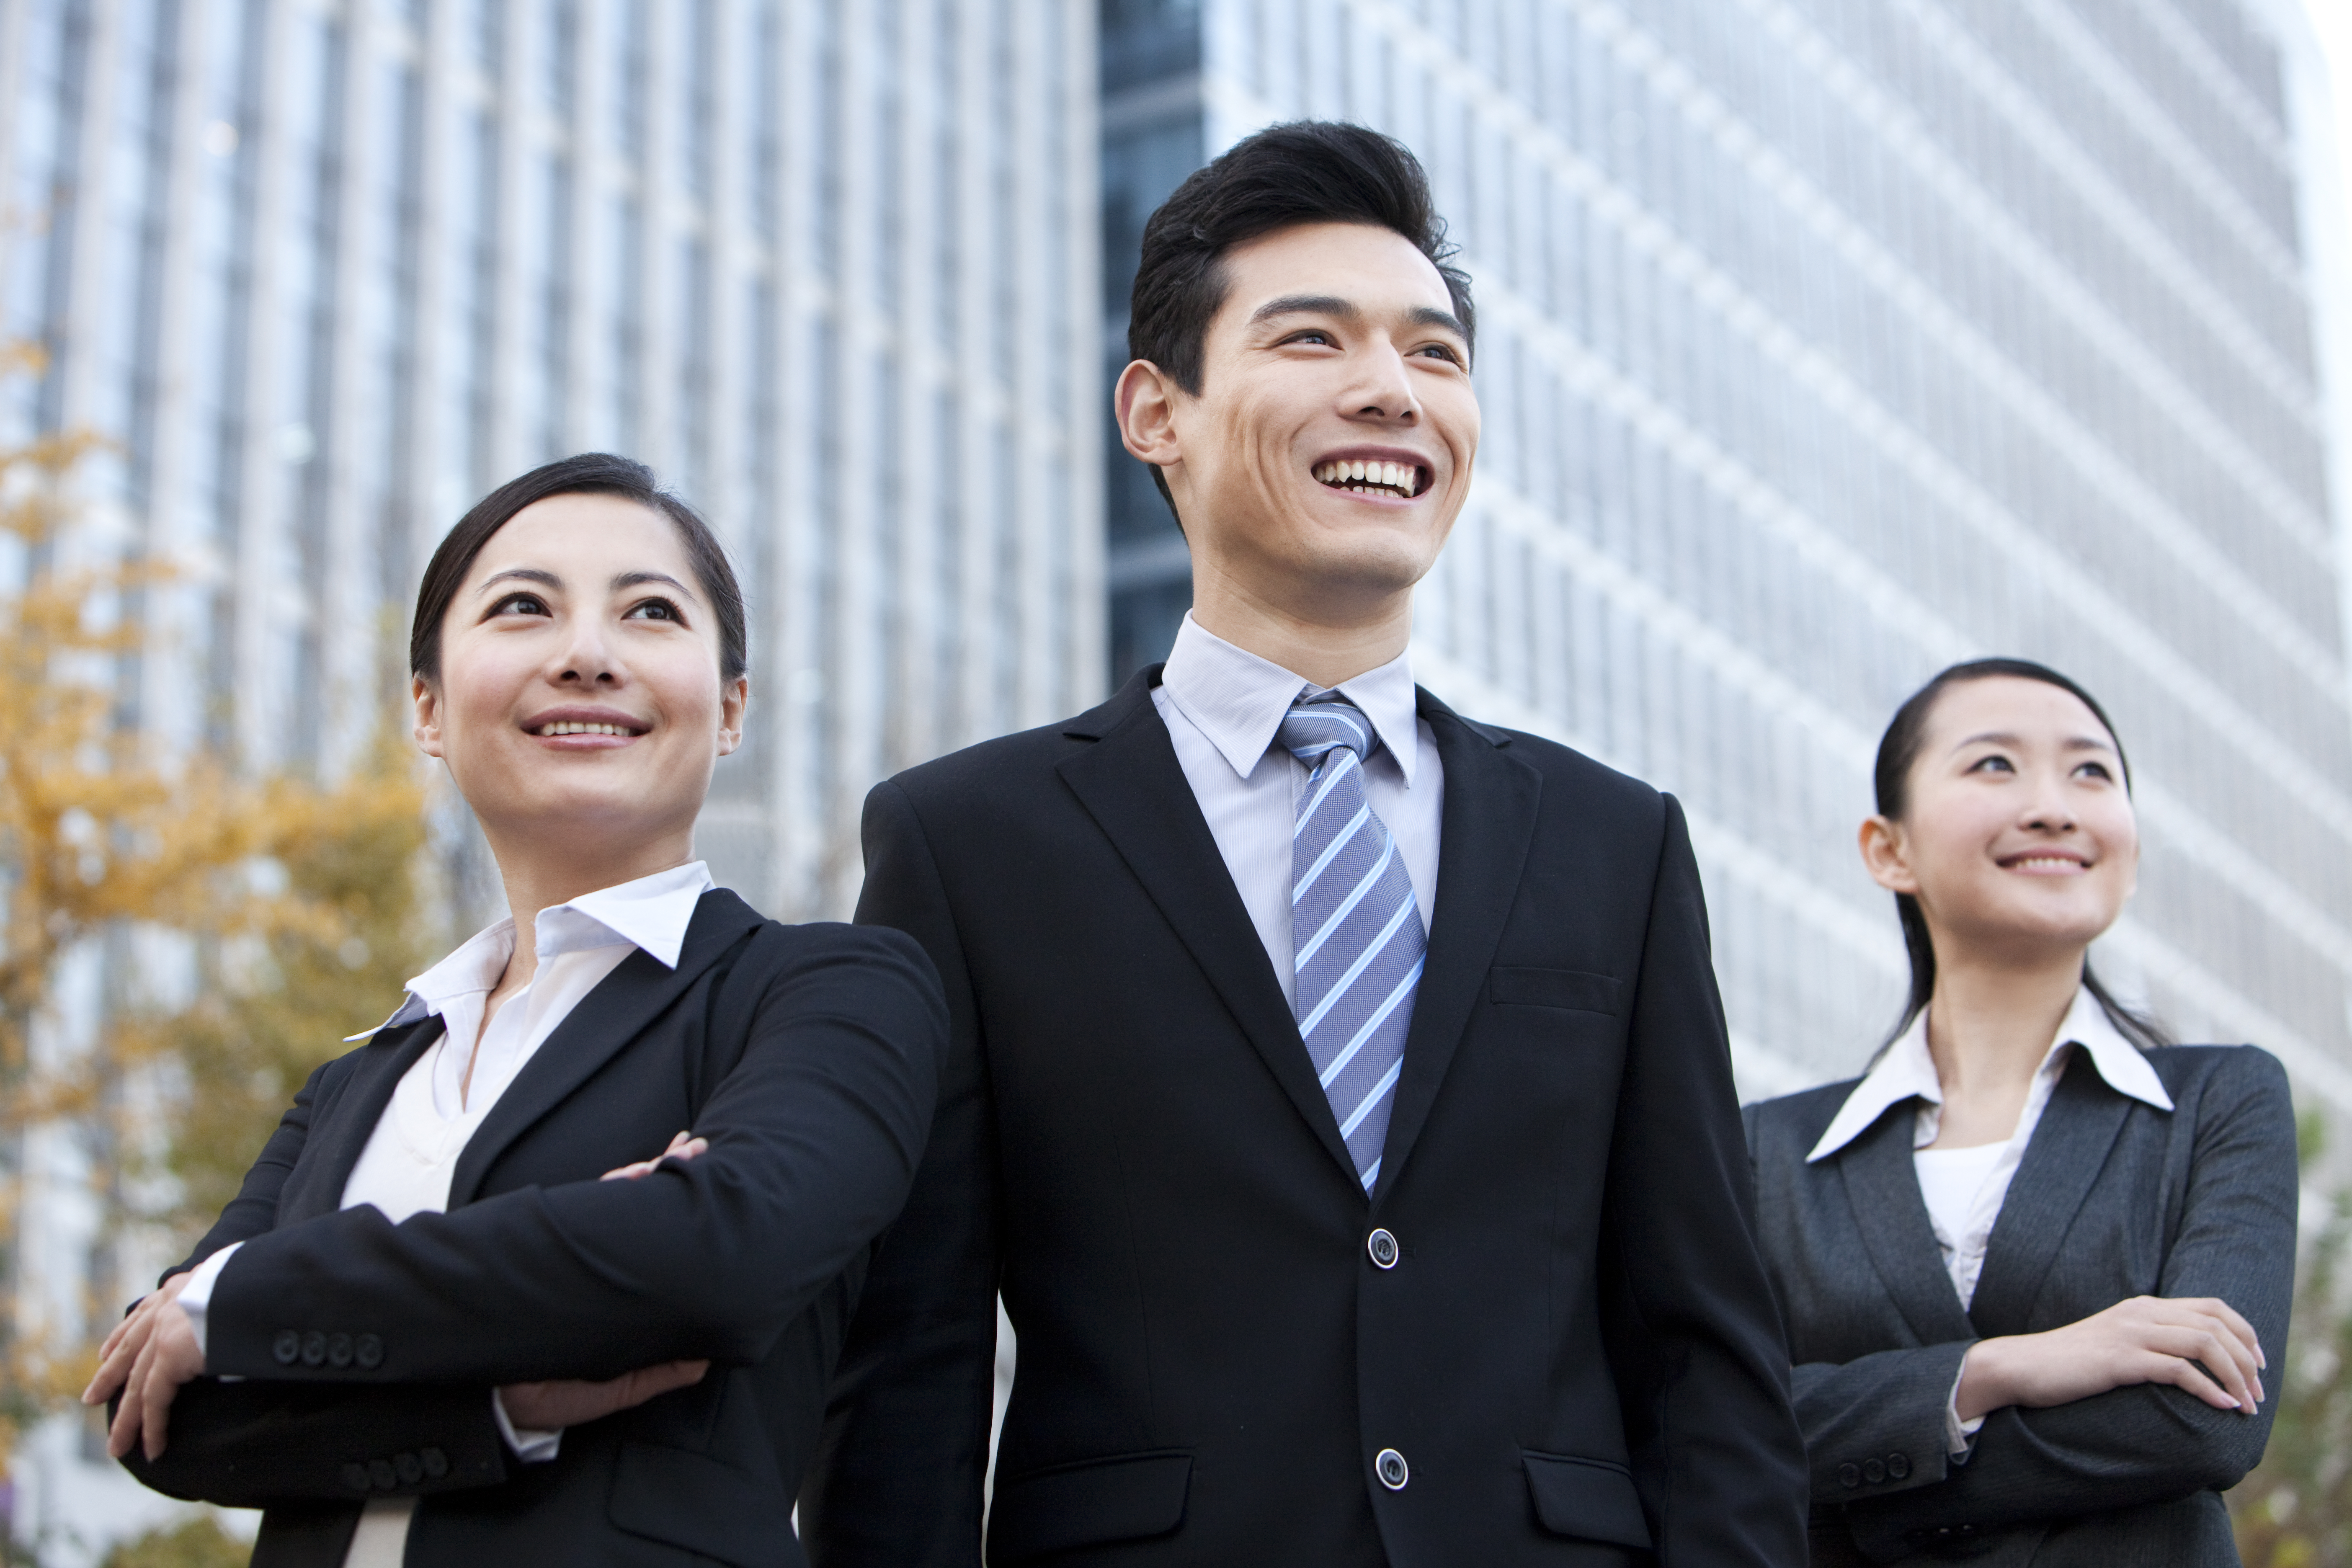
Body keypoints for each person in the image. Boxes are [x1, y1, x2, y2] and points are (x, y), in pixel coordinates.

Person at [802, 122, 1807, 1567]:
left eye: (1434, 354)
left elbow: (1708, 1351)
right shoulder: (968, 845)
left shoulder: (1614, 843)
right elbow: (906, 1375)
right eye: (1312, 340)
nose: (1389, 392)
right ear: (1155, 412)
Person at [83, 454, 946, 1568]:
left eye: (649, 612)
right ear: (430, 709)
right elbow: (162, 1416)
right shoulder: (367, 1074)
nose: (586, 655)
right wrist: (502, 1406)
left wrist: (235, 1296)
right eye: (523, 608)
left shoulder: (827, 989)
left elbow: (717, 1255)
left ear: (730, 710)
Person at [1743, 659, 2296, 1565]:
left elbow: (2209, 1420)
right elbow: (1713, 1425)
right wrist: (1996, 1370)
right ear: (1890, 849)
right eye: (1995, 765)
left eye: (2091, 772)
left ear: (2131, 849)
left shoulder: (2218, 1102)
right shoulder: (1766, 1150)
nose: (2055, 807)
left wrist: (1866, 1473)